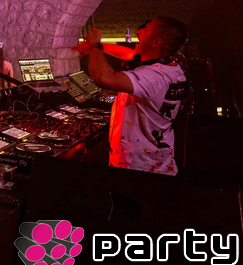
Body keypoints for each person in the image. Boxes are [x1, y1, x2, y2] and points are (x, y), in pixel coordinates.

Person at [76, 17, 189, 176]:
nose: (139, 31)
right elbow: (131, 54)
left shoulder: (155, 76)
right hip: (156, 160)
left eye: (145, 29)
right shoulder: (174, 61)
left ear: (156, 42)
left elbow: (104, 78)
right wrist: (97, 47)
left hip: (138, 166)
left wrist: (94, 46)